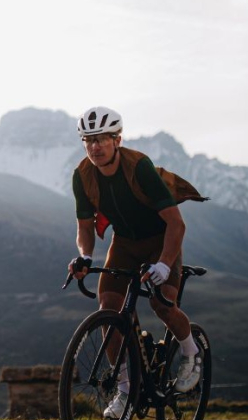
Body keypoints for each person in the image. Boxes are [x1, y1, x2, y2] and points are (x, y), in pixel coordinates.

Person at [68, 107, 202, 419]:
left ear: (117, 140)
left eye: (102, 139)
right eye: (89, 140)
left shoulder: (139, 167)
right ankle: (126, 390)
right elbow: (85, 227)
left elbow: (176, 224)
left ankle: (191, 352)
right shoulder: (82, 176)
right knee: (108, 310)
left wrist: (165, 264)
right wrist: (85, 256)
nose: (95, 147)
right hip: (124, 243)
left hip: (160, 238)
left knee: (162, 304)